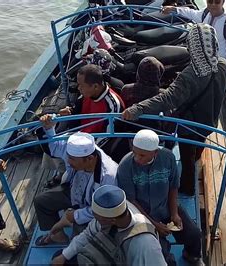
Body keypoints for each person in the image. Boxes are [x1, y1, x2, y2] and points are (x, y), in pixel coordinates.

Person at [122, 24, 226, 196]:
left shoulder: (191, 74)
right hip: (210, 121)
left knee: (187, 160)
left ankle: (187, 189)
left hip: (190, 125)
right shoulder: (224, 66)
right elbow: (223, 93)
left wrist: (137, 109)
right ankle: (195, 161)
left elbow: (167, 99)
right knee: (198, 149)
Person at [116, 129, 202, 264]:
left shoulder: (168, 158)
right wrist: (154, 224)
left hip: (166, 206)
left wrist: (174, 214)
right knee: (162, 254)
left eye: (142, 155)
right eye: (134, 153)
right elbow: (131, 200)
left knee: (194, 234)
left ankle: (191, 256)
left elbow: (173, 186)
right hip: (142, 215)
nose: (137, 159)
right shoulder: (125, 166)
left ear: (155, 152)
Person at [34, 114, 118, 246]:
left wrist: (75, 215)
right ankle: (58, 236)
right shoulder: (75, 151)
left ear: (90, 159)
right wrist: (49, 128)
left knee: (79, 242)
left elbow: (104, 210)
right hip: (74, 192)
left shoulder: (109, 176)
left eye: (72, 160)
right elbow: (54, 147)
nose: (68, 161)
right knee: (41, 201)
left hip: (91, 210)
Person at [44, 63, 125, 188]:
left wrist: (84, 151)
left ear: (95, 86)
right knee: (51, 143)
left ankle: (70, 177)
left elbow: (108, 137)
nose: (78, 89)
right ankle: (62, 173)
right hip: (79, 134)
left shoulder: (113, 105)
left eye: (81, 86)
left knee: (68, 152)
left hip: (93, 145)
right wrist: (67, 111)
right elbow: (76, 108)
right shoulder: (86, 94)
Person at [51, 185, 166, 266]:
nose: (94, 219)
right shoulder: (114, 211)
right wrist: (64, 256)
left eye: (97, 217)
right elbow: (87, 235)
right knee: (61, 257)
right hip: (111, 257)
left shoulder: (146, 244)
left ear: (111, 221)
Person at [162, 0, 226, 72]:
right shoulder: (205, 13)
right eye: (210, 1)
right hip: (199, 57)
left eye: (217, 2)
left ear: (223, 2)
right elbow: (191, 13)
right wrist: (174, 9)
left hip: (216, 65)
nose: (213, 5)